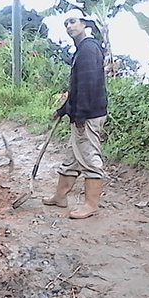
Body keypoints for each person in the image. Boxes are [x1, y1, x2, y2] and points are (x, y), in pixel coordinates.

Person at [43, 12, 108, 219]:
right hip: (82, 114)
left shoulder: (88, 49)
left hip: (88, 115)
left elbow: (88, 87)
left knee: (89, 158)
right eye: (66, 23)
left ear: (84, 24)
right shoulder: (82, 50)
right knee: (73, 158)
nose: (69, 26)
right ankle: (60, 197)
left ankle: (91, 204)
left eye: (73, 22)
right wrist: (63, 110)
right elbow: (77, 88)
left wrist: (80, 117)